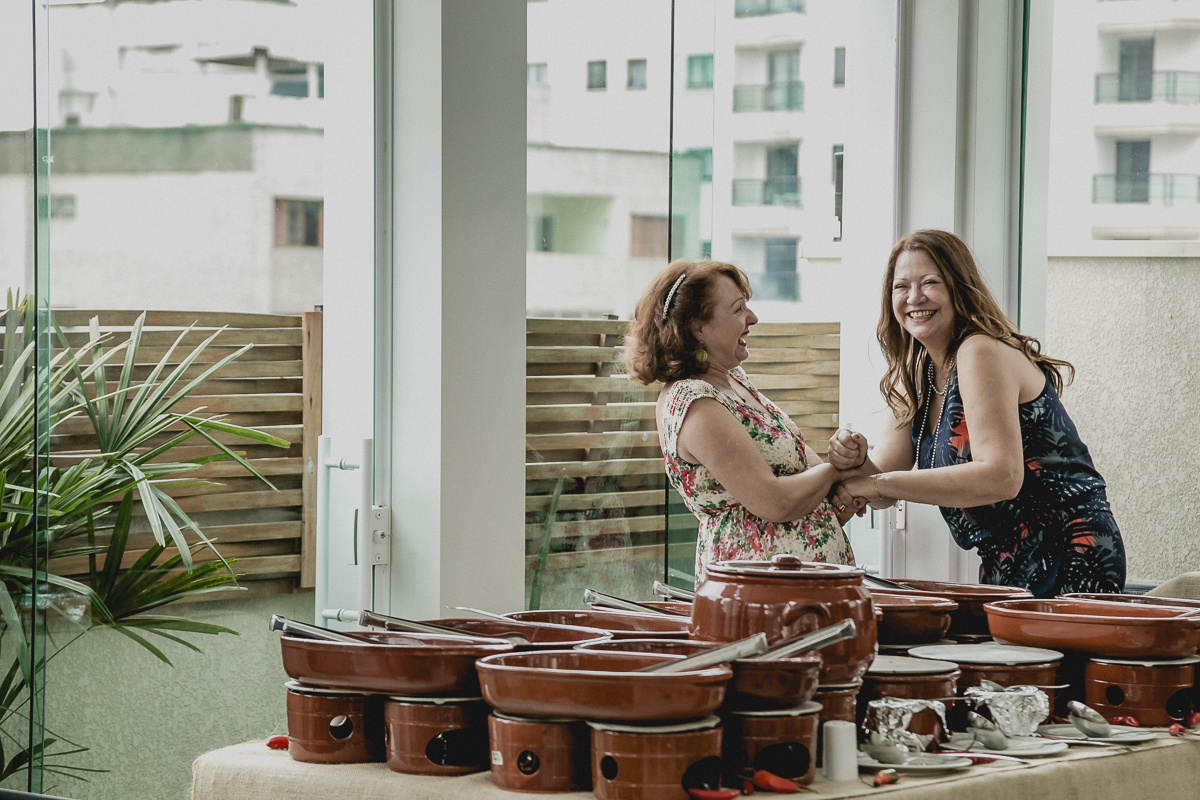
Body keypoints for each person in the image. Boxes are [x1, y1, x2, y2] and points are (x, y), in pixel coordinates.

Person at [830, 230, 1124, 597]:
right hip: (1004, 557)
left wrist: (872, 484)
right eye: (901, 286)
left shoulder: (978, 350)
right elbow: (886, 481)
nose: (914, 297)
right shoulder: (915, 372)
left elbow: (1002, 476)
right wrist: (854, 458)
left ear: (959, 287)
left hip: (1070, 545)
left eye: (930, 282)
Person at [626, 260, 864, 582]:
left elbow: (806, 471)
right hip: (757, 591)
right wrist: (838, 470)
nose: (752, 318)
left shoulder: (734, 380)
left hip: (799, 586)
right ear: (698, 327)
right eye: (738, 309)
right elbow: (775, 501)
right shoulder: (695, 403)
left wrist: (840, 476)